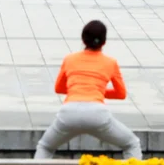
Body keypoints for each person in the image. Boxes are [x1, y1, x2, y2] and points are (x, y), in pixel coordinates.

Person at [34, 20, 142, 161]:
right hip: (98, 114)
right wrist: (98, 90)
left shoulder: (69, 59)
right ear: (104, 42)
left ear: (83, 39)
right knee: (132, 144)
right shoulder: (111, 62)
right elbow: (121, 94)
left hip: (69, 113)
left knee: (45, 147)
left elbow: (59, 88)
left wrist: (78, 89)